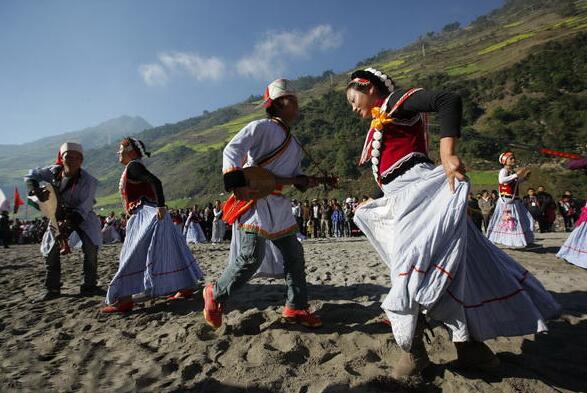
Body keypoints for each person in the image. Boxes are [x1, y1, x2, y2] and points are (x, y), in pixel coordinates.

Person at [345, 67, 560, 379]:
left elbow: (448, 99)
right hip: (406, 198)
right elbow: (394, 169)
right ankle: (467, 349)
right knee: (442, 266)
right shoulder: (385, 117)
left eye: (353, 99)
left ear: (367, 87)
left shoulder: (397, 102)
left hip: (422, 194)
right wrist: (377, 197)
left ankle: (420, 353)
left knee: (415, 270)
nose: (353, 107)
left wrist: (447, 153)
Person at [202, 79, 322, 330]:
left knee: (294, 255)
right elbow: (231, 150)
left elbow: (292, 176)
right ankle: (215, 293)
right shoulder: (261, 127)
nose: (297, 104)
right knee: (250, 257)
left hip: (278, 204)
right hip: (255, 201)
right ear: (277, 104)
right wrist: (237, 184)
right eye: (292, 99)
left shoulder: (295, 143)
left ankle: (296, 306)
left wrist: (305, 182)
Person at [102, 138, 204, 313]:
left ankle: (124, 299)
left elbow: (155, 181)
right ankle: (185, 285)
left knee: (131, 253)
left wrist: (161, 205)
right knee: (170, 249)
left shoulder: (133, 167)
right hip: (153, 214)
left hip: (145, 215)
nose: (118, 154)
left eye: (120, 150)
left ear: (131, 152)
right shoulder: (133, 168)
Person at [25, 142, 103, 301]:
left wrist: (68, 224)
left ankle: (89, 285)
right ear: (62, 158)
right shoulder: (52, 171)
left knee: (90, 247)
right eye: (68, 157)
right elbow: (31, 175)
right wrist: (34, 189)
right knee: (51, 249)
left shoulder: (89, 181)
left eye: (77, 158)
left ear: (81, 160)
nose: (72, 160)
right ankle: (52, 288)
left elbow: (84, 207)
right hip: (57, 214)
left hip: (82, 216)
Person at [486, 152, 534, 248]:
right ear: (504, 161)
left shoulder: (511, 172)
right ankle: (513, 241)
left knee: (524, 219)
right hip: (506, 201)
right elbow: (502, 180)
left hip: (514, 201)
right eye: (511, 158)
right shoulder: (503, 171)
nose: (513, 160)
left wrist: (524, 178)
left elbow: (514, 183)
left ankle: (521, 240)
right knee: (509, 221)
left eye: (513, 158)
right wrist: (517, 174)